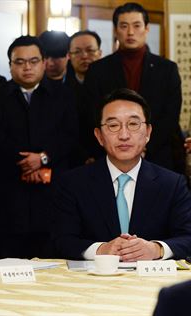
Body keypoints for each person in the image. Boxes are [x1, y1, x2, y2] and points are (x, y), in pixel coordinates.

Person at [53, 88, 191, 261]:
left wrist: (156, 249)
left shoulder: (173, 184)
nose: (124, 135)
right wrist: (102, 249)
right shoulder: (73, 183)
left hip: (151, 284)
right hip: (93, 282)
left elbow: (188, 237)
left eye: (133, 124)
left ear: (147, 132)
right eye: (113, 125)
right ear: (99, 136)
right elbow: (61, 240)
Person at [0, 35, 77, 259]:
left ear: (44, 63)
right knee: (10, 258)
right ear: (10, 65)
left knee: (51, 259)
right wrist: (27, 164)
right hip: (9, 192)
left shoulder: (64, 95)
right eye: (20, 62)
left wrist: (43, 159)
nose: (27, 67)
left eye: (33, 61)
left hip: (53, 192)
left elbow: (70, 136)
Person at [85, 2, 184, 174]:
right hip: (111, 156)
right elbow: (92, 113)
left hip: (157, 156)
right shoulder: (98, 70)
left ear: (146, 29)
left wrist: (142, 146)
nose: (130, 32)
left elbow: (170, 116)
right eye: (124, 26)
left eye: (137, 25)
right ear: (116, 30)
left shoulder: (167, 69)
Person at [66, 30, 104, 167]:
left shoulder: (112, 85)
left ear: (100, 53)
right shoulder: (62, 89)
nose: (84, 56)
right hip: (72, 159)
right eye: (77, 52)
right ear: (69, 56)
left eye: (90, 50)